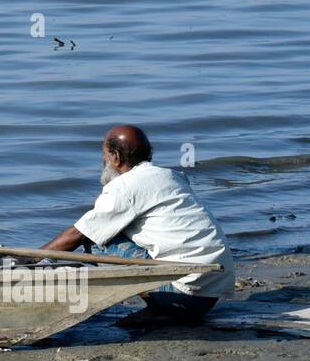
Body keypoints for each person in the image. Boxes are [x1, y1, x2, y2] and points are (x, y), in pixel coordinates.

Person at [41, 124, 235, 322]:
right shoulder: (172, 176)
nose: (103, 160)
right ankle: (162, 309)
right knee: (108, 228)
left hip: (183, 295)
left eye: (105, 155)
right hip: (211, 292)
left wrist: (33, 259)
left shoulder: (124, 187)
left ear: (115, 157)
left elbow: (79, 233)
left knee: (96, 239)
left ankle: (161, 309)